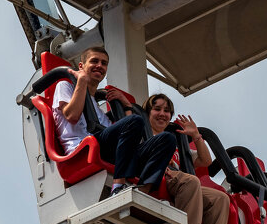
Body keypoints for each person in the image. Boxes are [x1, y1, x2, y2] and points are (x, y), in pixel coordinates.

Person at [51, 46, 176, 196]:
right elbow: (72, 115)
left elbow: (129, 137)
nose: (99, 66)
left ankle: (144, 191)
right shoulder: (65, 86)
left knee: (167, 138)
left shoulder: (98, 112)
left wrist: (127, 106)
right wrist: (81, 82)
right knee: (133, 121)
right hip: (82, 150)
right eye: (94, 61)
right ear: (81, 66)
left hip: (107, 151)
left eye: (104, 63)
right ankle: (118, 186)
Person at [145, 93, 229, 224]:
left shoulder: (177, 144)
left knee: (220, 198)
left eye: (167, 111)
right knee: (191, 181)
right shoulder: (144, 133)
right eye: (157, 109)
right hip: (158, 176)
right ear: (148, 112)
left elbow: (206, 161)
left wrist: (196, 136)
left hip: (180, 183)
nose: (162, 114)